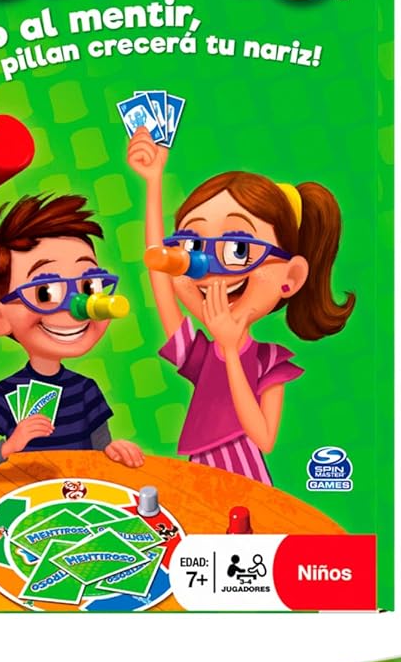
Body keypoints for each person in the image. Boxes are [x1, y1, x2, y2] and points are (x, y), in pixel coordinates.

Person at [126, 127, 353, 483]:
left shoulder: (269, 361)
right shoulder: (200, 355)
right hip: (198, 471)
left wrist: (231, 350)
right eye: (193, 247)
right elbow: (159, 270)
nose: (207, 267)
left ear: (290, 277)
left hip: (244, 476)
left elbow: (263, 438)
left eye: (238, 249)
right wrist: (153, 183)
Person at [0, 193, 143, 478]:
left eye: (89, 286)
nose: (79, 306)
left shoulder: (86, 389)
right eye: (46, 292)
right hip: (27, 494)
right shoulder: (7, 393)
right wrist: (10, 445)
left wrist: (113, 450)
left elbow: (100, 449)